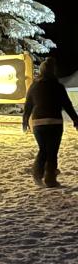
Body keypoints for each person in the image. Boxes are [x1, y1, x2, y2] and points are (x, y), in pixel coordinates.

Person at [23, 57, 78, 188]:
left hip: (38, 123)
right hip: (55, 122)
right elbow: (67, 105)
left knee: (43, 149)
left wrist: (25, 120)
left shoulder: (34, 86)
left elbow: (28, 105)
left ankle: (37, 173)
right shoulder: (58, 86)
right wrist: (75, 120)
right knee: (52, 151)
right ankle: (50, 179)